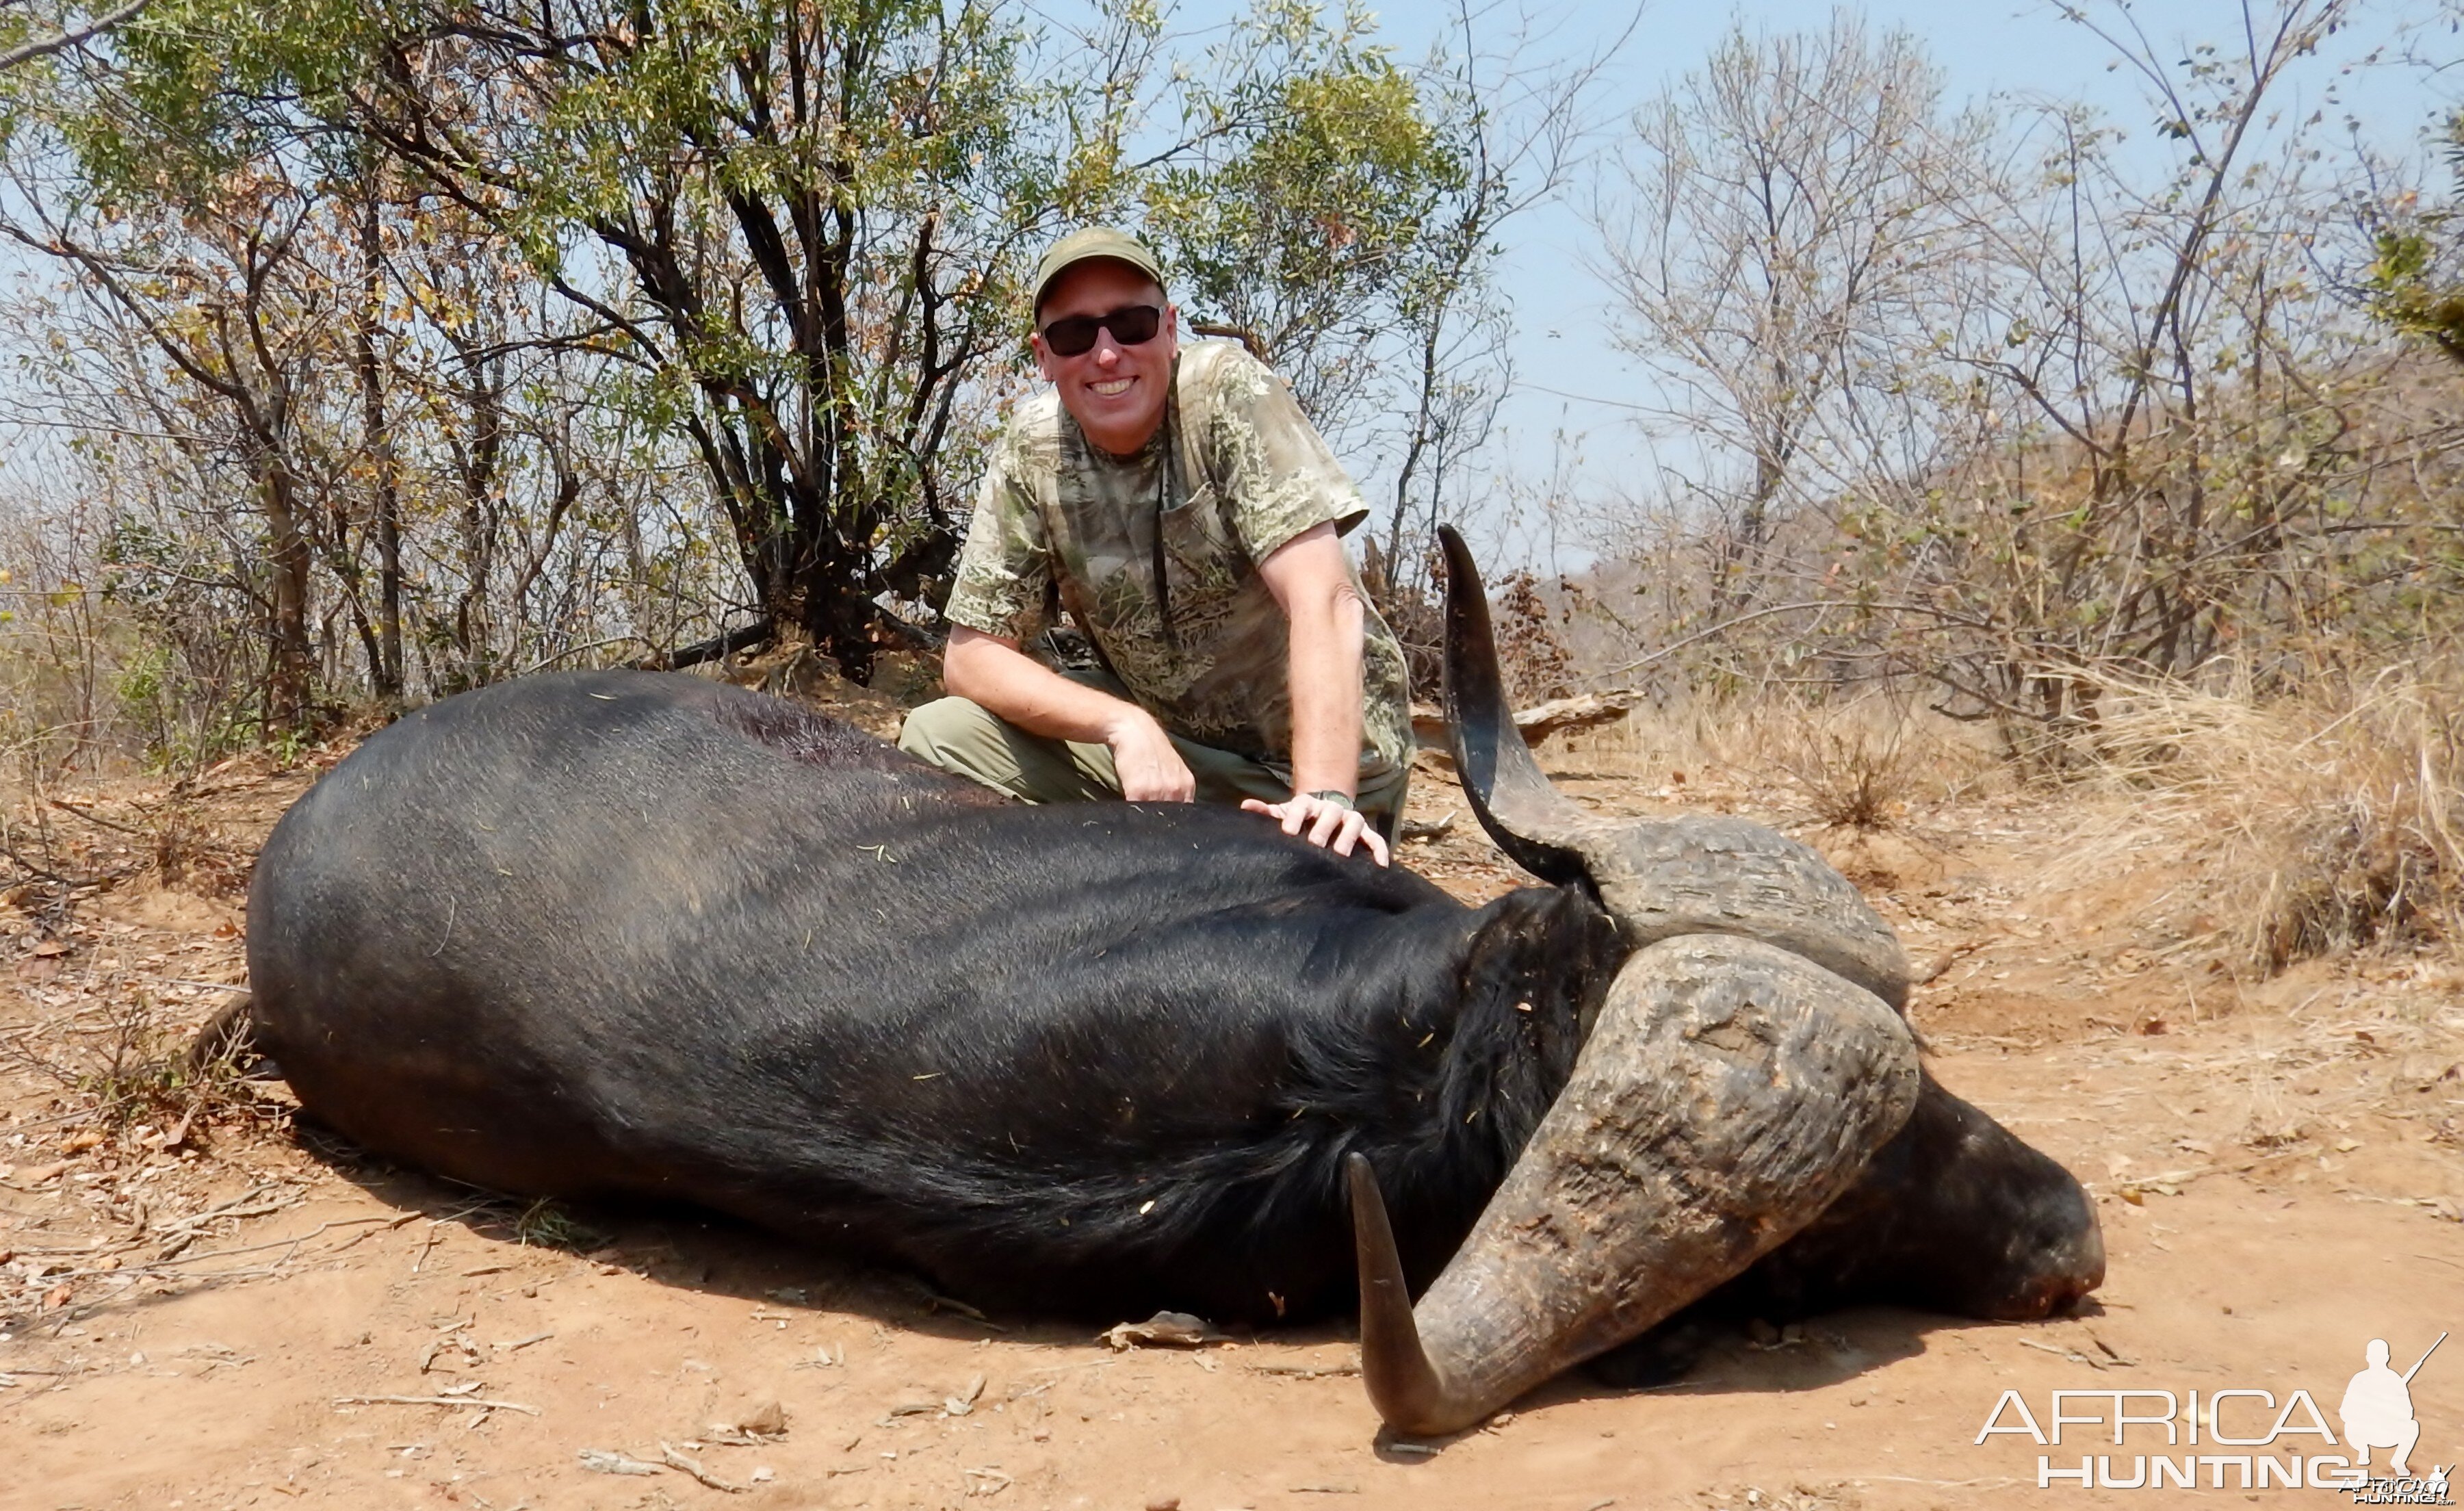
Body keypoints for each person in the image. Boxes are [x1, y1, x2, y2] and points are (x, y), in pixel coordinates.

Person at [899, 227, 1413, 865]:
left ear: (1170, 329)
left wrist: (1325, 795)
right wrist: (1123, 726)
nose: (1107, 354)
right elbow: (971, 660)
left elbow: (1325, 600)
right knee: (939, 735)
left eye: (1131, 324)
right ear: (1043, 356)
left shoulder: (1226, 394)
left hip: (1305, 769)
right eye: (1074, 335)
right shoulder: (1031, 449)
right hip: (1169, 758)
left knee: (1299, 910)